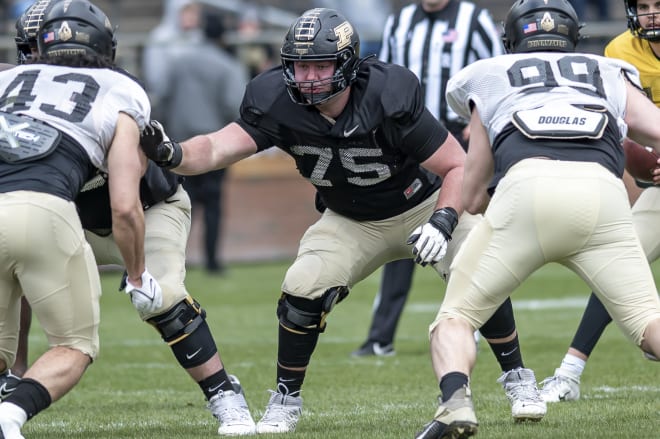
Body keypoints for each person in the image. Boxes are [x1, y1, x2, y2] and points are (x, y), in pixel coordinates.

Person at [139, 7, 548, 433]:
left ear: (348, 63)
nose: (309, 77)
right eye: (300, 66)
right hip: (350, 218)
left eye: (320, 65)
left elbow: (457, 167)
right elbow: (219, 148)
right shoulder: (276, 100)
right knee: (301, 288)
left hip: (423, 204)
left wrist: (444, 220)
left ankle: (518, 376)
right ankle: (285, 397)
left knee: (481, 273)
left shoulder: (388, 94)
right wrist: (174, 154)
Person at [0, 0, 257, 436]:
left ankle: (223, 394)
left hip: (147, 208)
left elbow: (127, 199)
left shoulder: (117, 90)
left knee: (164, 297)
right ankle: (14, 387)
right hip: (66, 213)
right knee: (20, 274)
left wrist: (138, 274)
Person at [415, 0, 660, 437]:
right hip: (603, 193)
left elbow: (471, 195)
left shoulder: (489, 74)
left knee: (455, 318)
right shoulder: (604, 70)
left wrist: (499, 211)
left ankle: (455, 404)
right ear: (574, 37)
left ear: (511, 39)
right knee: (647, 323)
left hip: (526, 187)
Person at [0, 0, 164, 436]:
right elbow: (125, 203)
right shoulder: (120, 89)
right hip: (42, 208)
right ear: (106, 45)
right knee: (73, 345)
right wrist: (138, 274)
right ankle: (9, 416)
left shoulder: (6, 77)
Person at [353, 0, 505, 358]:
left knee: (467, 232)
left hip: (456, 137)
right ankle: (380, 337)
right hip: (406, 138)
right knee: (402, 229)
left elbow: (497, 72)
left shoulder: (475, 19)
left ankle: (475, 323)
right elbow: (382, 77)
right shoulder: (400, 22)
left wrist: (478, 123)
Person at [538, 0, 660, 403]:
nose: (651, 15)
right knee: (620, 262)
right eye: (644, 6)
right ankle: (569, 373)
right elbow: (618, 129)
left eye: (659, 5)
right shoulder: (619, 53)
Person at [142, 0, 248, 274]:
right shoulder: (228, 66)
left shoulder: (179, 61)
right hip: (214, 146)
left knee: (178, 205)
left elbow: (161, 98)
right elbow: (235, 107)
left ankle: (175, 261)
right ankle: (213, 262)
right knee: (213, 205)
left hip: (179, 146)